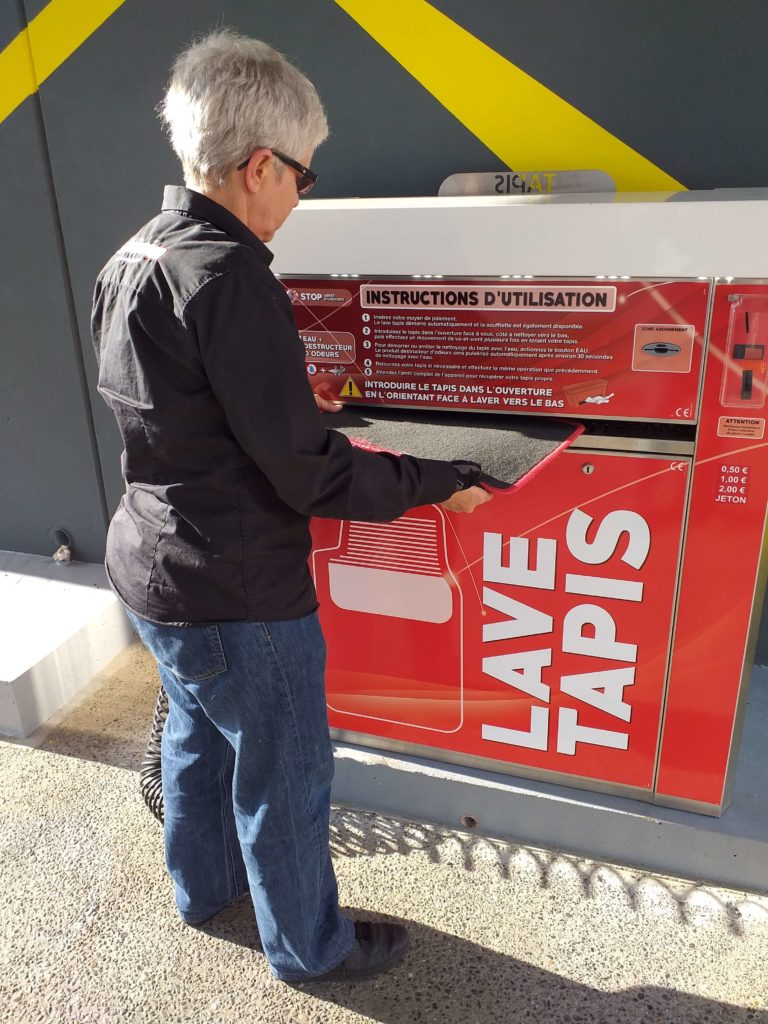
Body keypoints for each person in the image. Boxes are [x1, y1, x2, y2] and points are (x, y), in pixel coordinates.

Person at [91, 29, 491, 984]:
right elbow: (311, 476)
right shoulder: (232, 279)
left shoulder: (135, 254)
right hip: (241, 591)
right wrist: (443, 479)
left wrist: (267, 405)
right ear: (259, 164)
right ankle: (313, 949)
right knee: (288, 777)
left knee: (197, 745)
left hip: (153, 566)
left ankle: (203, 891)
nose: (300, 199)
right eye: (303, 178)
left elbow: (166, 407)